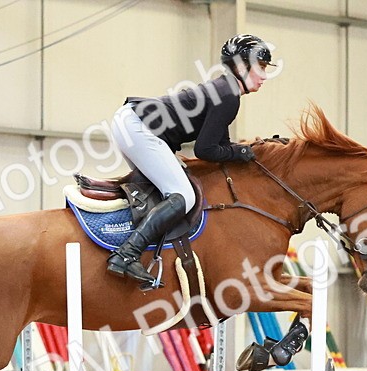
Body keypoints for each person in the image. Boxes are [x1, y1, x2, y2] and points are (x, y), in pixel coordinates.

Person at [106, 34, 275, 286]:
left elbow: (222, 145)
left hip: (129, 122)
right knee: (184, 196)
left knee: (162, 191)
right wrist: (242, 153)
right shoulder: (228, 95)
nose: (264, 76)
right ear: (241, 67)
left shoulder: (224, 89)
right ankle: (127, 254)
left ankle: (134, 245)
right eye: (260, 67)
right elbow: (205, 151)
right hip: (138, 127)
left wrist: (250, 149)